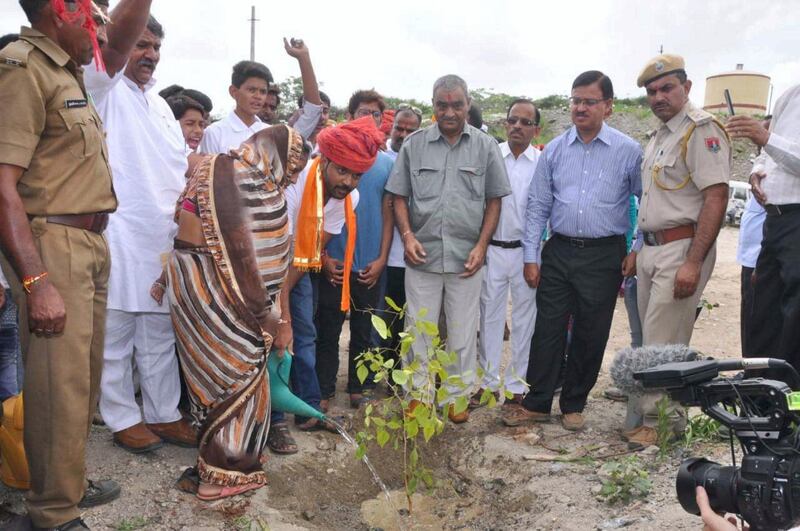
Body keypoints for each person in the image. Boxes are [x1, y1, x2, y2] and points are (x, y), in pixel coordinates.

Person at [0, 0, 121, 527]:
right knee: (58, 389)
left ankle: (64, 485)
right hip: (53, 246)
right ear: (60, 11)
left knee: (82, 385)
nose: (100, 22)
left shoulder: (65, 72)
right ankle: (52, 514)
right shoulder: (23, 67)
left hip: (89, 244)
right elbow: (2, 184)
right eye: (91, 10)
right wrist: (36, 280)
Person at [167, 124, 304, 501]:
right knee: (240, 380)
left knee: (209, 382)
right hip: (220, 294)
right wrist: (266, 315)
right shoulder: (244, 182)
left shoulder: (211, 166)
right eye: (291, 169)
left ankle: (209, 462)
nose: (290, 179)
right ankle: (223, 473)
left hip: (189, 281)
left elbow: (181, 224)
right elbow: (245, 261)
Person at [83, 10, 197, 454]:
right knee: (116, 332)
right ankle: (121, 416)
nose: (149, 55)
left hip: (161, 236)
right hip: (121, 230)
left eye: (155, 48)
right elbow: (110, 53)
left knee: (159, 332)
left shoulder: (161, 105)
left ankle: (164, 413)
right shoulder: (103, 88)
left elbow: (177, 165)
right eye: (141, 44)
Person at [502, 71, 642, 432]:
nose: (580, 107)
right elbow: (538, 206)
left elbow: (647, 201)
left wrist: (637, 247)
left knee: (591, 330)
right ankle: (536, 403)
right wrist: (532, 256)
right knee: (547, 327)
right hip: (560, 250)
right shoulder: (555, 150)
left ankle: (574, 403)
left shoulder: (628, 151)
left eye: (589, 101)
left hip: (604, 254)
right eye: (575, 100)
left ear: (608, 107)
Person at [385, 74, 511, 424]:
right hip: (421, 258)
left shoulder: (485, 147)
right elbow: (398, 196)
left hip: (466, 260)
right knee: (419, 333)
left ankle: (456, 399)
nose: (450, 112)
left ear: (467, 105)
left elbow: (494, 201)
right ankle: (419, 399)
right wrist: (408, 236)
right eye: (443, 105)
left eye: (457, 105)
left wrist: (482, 246)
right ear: (434, 107)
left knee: (461, 332)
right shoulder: (414, 145)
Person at [626, 54, 730, 448]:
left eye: (666, 88)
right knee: (654, 336)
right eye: (652, 91)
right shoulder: (659, 136)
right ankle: (661, 419)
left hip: (682, 250)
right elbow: (652, 204)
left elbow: (716, 197)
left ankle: (663, 427)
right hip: (653, 250)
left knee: (662, 342)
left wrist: (693, 262)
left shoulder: (701, 130)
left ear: (686, 87)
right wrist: (639, 248)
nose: (658, 96)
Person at [281, 116, 382, 431]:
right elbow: (275, 248)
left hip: (297, 264)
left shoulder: (348, 197)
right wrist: (278, 311)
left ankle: (308, 408)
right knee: (271, 336)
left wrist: (283, 303)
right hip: (264, 259)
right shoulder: (294, 184)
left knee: (304, 334)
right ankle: (271, 421)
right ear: (323, 160)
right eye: (342, 171)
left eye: (357, 175)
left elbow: (308, 253)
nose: (349, 182)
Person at [315, 90, 394, 411]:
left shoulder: (388, 164)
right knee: (328, 329)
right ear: (349, 116)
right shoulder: (330, 161)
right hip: (333, 262)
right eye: (362, 112)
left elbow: (390, 212)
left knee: (364, 329)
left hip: (368, 263)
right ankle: (323, 389)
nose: (369, 119)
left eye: (375, 114)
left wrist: (382, 259)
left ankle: (358, 388)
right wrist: (321, 258)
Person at [727, 85, 800, 373]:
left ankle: (791, 405)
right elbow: (768, 156)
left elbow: (772, 143)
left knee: (794, 324)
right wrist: (756, 172)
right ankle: (761, 402)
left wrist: (764, 137)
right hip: (776, 222)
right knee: (763, 316)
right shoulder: (791, 95)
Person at [475, 99, 542, 408]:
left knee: (525, 321)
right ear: (505, 124)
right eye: (512, 120)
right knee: (489, 319)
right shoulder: (491, 157)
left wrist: (537, 256)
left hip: (527, 255)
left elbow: (545, 214)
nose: (517, 126)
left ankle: (516, 387)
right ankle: (488, 384)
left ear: (536, 129)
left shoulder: (542, 164)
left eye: (525, 122)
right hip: (492, 251)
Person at [382, 106, 422, 358]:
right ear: (391, 127)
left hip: (413, 254)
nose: (403, 134)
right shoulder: (377, 156)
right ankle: (388, 368)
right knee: (387, 317)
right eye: (399, 128)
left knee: (412, 316)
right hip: (384, 255)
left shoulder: (424, 158)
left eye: (411, 130)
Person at [198, 59, 272, 154]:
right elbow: (209, 168)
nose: (258, 97)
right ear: (233, 92)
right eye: (251, 90)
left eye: (263, 92)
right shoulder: (214, 133)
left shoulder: (271, 133)